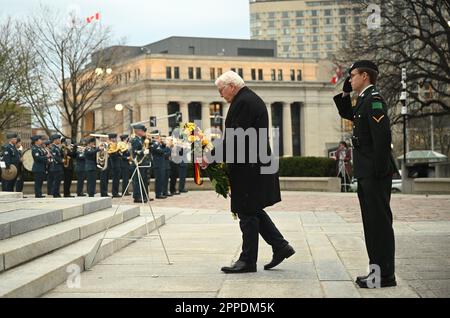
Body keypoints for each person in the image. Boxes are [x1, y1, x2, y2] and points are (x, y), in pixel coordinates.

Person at [212, 71, 295, 274]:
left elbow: (235, 138)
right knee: (252, 209)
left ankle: (247, 261)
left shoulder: (244, 102)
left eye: (221, 90)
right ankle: (280, 246)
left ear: (231, 86)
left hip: (250, 168)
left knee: (247, 213)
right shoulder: (247, 99)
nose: (221, 95)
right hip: (253, 166)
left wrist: (211, 156)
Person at [333, 60, 396, 288]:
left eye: (353, 75)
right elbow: (348, 113)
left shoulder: (374, 100)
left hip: (375, 173)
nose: (350, 79)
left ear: (365, 76)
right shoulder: (364, 100)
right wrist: (345, 92)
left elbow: (382, 139)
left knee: (378, 225)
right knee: (371, 225)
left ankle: (385, 275)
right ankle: (376, 273)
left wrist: (380, 172)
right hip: (368, 172)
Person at [130, 125, 151, 203]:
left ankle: (144, 195)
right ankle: (137, 196)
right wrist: (142, 152)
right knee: (137, 181)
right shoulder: (135, 140)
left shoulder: (141, 139)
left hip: (142, 162)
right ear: (138, 131)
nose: (143, 132)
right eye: (142, 131)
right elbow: (134, 151)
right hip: (137, 162)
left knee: (144, 180)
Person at [150, 134, 167, 199]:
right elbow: (161, 151)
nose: (161, 139)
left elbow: (163, 149)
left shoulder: (159, 145)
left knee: (161, 179)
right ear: (157, 138)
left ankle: (160, 192)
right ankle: (158, 194)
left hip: (161, 165)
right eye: (159, 137)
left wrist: (164, 144)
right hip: (157, 165)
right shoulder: (154, 145)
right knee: (158, 180)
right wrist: (167, 147)